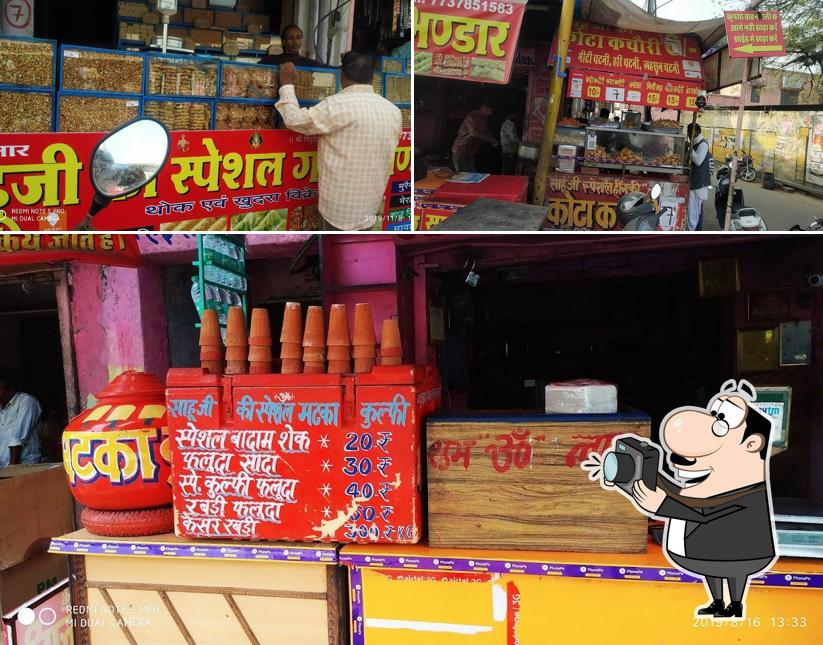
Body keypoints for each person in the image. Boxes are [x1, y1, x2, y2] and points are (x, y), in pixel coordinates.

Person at [275, 53, 402, 231]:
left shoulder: (336, 106)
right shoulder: (393, 111)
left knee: (334, 252)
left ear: (342, 76)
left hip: (337, 213)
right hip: (370, 209)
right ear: (371, 78)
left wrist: (287, 85)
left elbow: (294, 119)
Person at [0, 372, 42, 469]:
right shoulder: (1, 406)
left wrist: (12, 471)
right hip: (4, 467)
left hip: (25, 466)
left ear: (10, 390)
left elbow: (16, 439)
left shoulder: (27, 402)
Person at [451, 99, 497, 173]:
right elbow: (474, 132)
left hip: (471, 151)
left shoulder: (483, 118)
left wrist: (493, 139)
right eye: (490, 111)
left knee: (472, 173)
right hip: (460, 149)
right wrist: (490, 140)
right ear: (484, 107)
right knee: (462, 175)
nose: (491, 114)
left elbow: (486, 131)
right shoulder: (472, 116)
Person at [259, 25, 331, 68]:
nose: (295, 42)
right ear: (283, 41)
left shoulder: (309, 63)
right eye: (290, 38)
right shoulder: (270, 61)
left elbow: (331, 69)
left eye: (298, 37)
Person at [687, 122, 711, 231]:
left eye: (689, 132)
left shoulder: (703, 144)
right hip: (694, 182)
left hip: (699, 184)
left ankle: (691, 232)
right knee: (692, 211)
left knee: (694, 212)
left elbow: (698, 161)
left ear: (696, 132)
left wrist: (690, 148)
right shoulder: (695, 143)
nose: (688, 134)